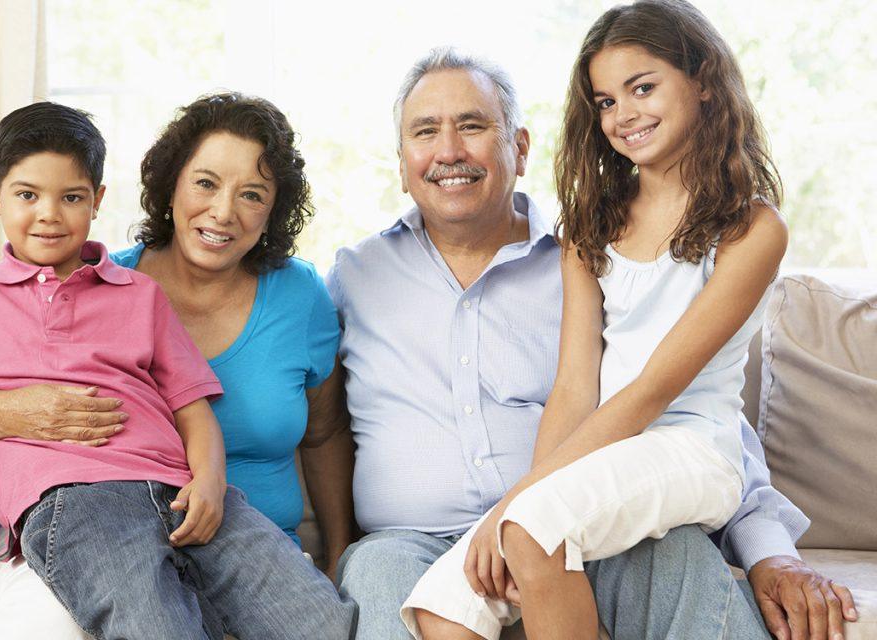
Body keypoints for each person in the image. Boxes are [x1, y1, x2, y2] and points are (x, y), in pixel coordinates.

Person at [327, 45, 856, 640]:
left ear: (520, 148)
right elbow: (317, 425)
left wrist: (767, 550)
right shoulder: (352, 278)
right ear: (402, 164)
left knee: (675, 554)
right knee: (382, 581)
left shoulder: (592, 257)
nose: (449, 151)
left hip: (587, 534)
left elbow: (688, 408)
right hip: (406, 542)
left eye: (472, 126)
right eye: (425, 132)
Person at [0, 100, 355, 640]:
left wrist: (211, 480)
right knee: (154, 625)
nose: (49, 214)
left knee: (324, 623)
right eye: (28, 195)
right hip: (79, 500)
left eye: (71, 197)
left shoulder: (139, 294)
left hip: (182, 490)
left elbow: (193, 407)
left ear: (97, 200)